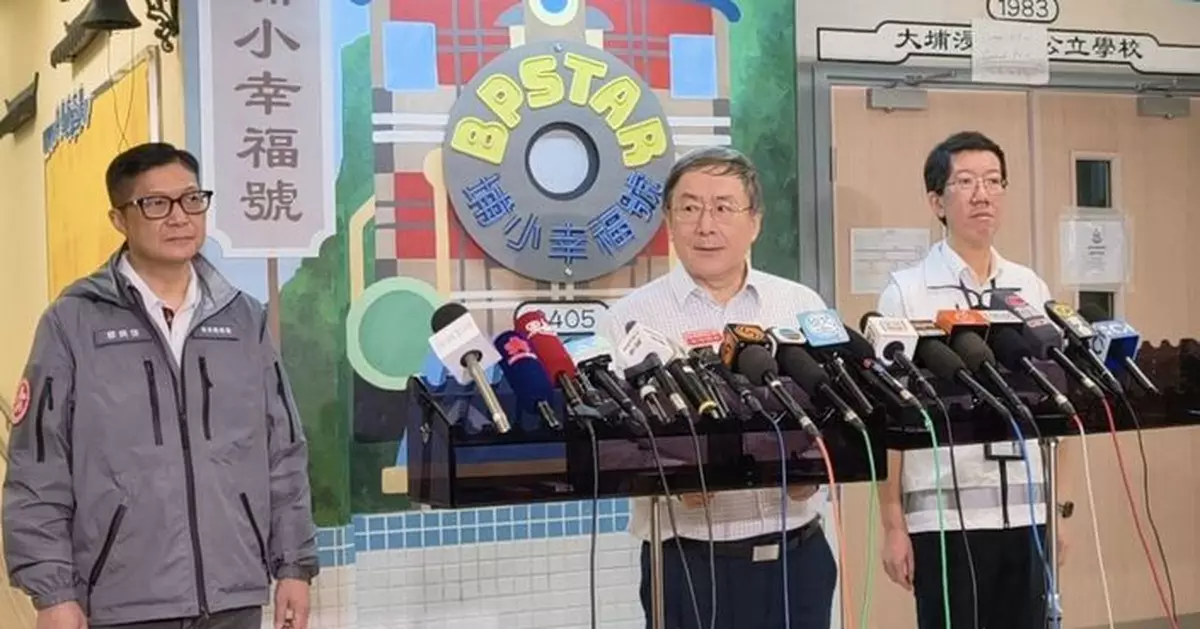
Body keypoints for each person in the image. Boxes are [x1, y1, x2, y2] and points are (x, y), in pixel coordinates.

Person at [3, 143, 319, 629]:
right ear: (119, 219)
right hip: (121, 601)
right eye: (156, 204)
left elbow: (283, 452)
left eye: (192, 199)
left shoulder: (242, 320)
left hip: (233, 597)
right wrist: (53, 593)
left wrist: (294, 566)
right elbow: (39, 468)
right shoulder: (72, 323)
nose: (179, 217)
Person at [602, 147, 837, 629]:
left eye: (724, 208)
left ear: (755, 222)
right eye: (689, 208)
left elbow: (834, 405)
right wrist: (672, 483)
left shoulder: (799, 305)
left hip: (797, 556)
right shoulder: (627, 319)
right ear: (669, 219)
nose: (705, 225)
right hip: (687, 562)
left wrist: (812, 469)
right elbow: (614, 443)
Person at [875, 130, 1072, 629]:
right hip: (945, 521)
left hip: (1028, 516)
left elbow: (1055, 409)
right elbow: (891, 421)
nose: (982, 194)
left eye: (993, 181)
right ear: (936, 201)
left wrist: (1057, 512)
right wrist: (893, 524)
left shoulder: (1029, 287)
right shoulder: (907, 291)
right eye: (965, 182)